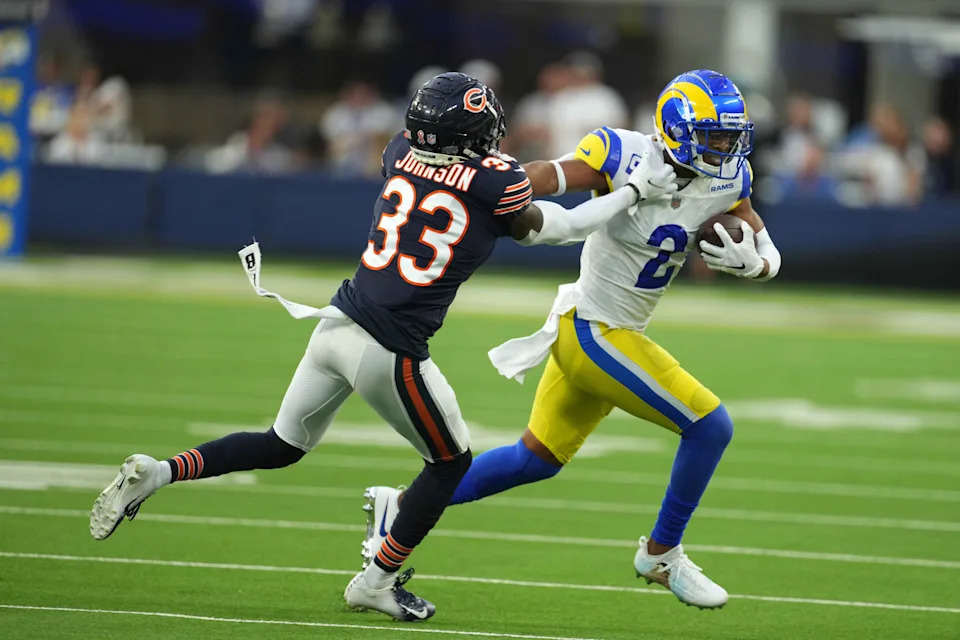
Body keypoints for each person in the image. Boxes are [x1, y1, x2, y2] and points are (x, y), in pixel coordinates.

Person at [89, 72, 677, 622]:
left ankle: (161, 473)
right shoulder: (494, 181)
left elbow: (454, 177)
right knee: (450, 463)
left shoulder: (398, 150)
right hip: (388, 349)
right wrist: (630, 194)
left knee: (280, 444)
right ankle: (376, 579)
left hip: (336, 325)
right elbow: (557, 228)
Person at [362, 69, 782, 611]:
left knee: (534, 459)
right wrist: (471, 179)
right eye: (714, 135)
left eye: (731, 136)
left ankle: (400, 506)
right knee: (709, 426)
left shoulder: (730, 176)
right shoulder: (623, 154)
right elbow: (539, 176)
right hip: (592, 330)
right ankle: (662, 552)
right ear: (677, 129)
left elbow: (762, 238)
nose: (725, 147)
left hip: (607, 330)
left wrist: (759, 267)